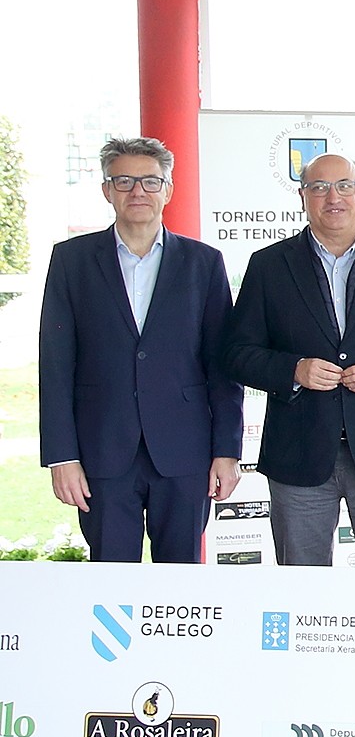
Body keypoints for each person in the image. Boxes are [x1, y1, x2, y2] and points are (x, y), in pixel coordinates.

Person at [38, 136, 243, 562]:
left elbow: (221, 367)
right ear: (106, 190)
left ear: (168, 190)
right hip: (102, 451)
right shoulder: (71, 261)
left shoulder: (204, 263)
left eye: (151, 181)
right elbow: (55, 365)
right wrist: (62, 457)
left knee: (182, 580)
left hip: (185, 454)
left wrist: (227, 451)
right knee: (111, 586)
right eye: (125, 181)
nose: (138, 192)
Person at [223, 153, 355, 567]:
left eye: (344, 185)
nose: (332, 197)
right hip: (298, 456)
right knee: (301, 588)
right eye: (318, 187)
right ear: (302, 197)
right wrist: (293, 370)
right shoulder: (268, 265)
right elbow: (237, 354)